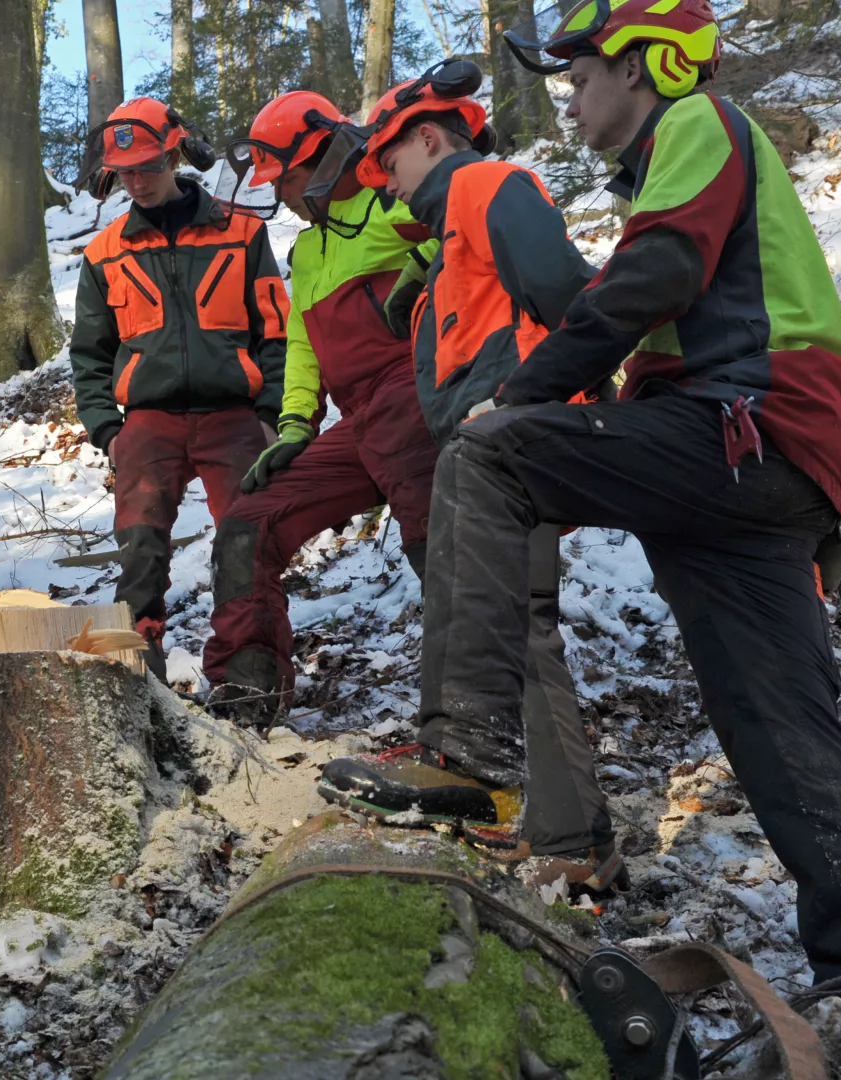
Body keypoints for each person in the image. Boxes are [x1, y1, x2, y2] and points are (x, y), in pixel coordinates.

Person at [324, 0, 841, 980]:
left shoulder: (699, 124)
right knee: (775, 719)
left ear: (640, 68)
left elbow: (652, 278)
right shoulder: (683, 156)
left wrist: (521, 393)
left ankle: (466, 759)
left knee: (487, 455)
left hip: (740, 424)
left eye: (582, 77)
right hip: (773, 454)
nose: (572, 99)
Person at [319, 65, 619, 889]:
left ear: (427, 137)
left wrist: (551, 402)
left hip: (518, 441)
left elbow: (569, 295)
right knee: (521, 629)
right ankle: (571, 831)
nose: (385, 187)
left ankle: (563, 838)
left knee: (520, 625)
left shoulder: (489, 185)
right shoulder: (445, 243)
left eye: (390, 166)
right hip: (488, 450)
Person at [198, 92, 439, 725]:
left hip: (420, 393)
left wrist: (423, 260)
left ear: (327, 155)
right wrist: (297, 424)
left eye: (289, 179)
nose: (282, 195)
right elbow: (303, 344)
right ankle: (245, 691)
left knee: (442, 544)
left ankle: (469, 723)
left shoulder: (392, 203)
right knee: (250, 522)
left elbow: (475, 228)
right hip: (360, 418)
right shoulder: (306, 251)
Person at [69, 97, 289, 680]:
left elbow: (276, 332)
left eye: (146, 167)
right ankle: (139, 676)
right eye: (124, 173)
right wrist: (107, 430)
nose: (136, 182)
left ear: (174, 155)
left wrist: (270, 412)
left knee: (247, 540)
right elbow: (88, 355)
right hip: (148, 420)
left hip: (233, 411)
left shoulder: (242, 234)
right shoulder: (104, 252)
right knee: (139, 548)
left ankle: (251, 675)